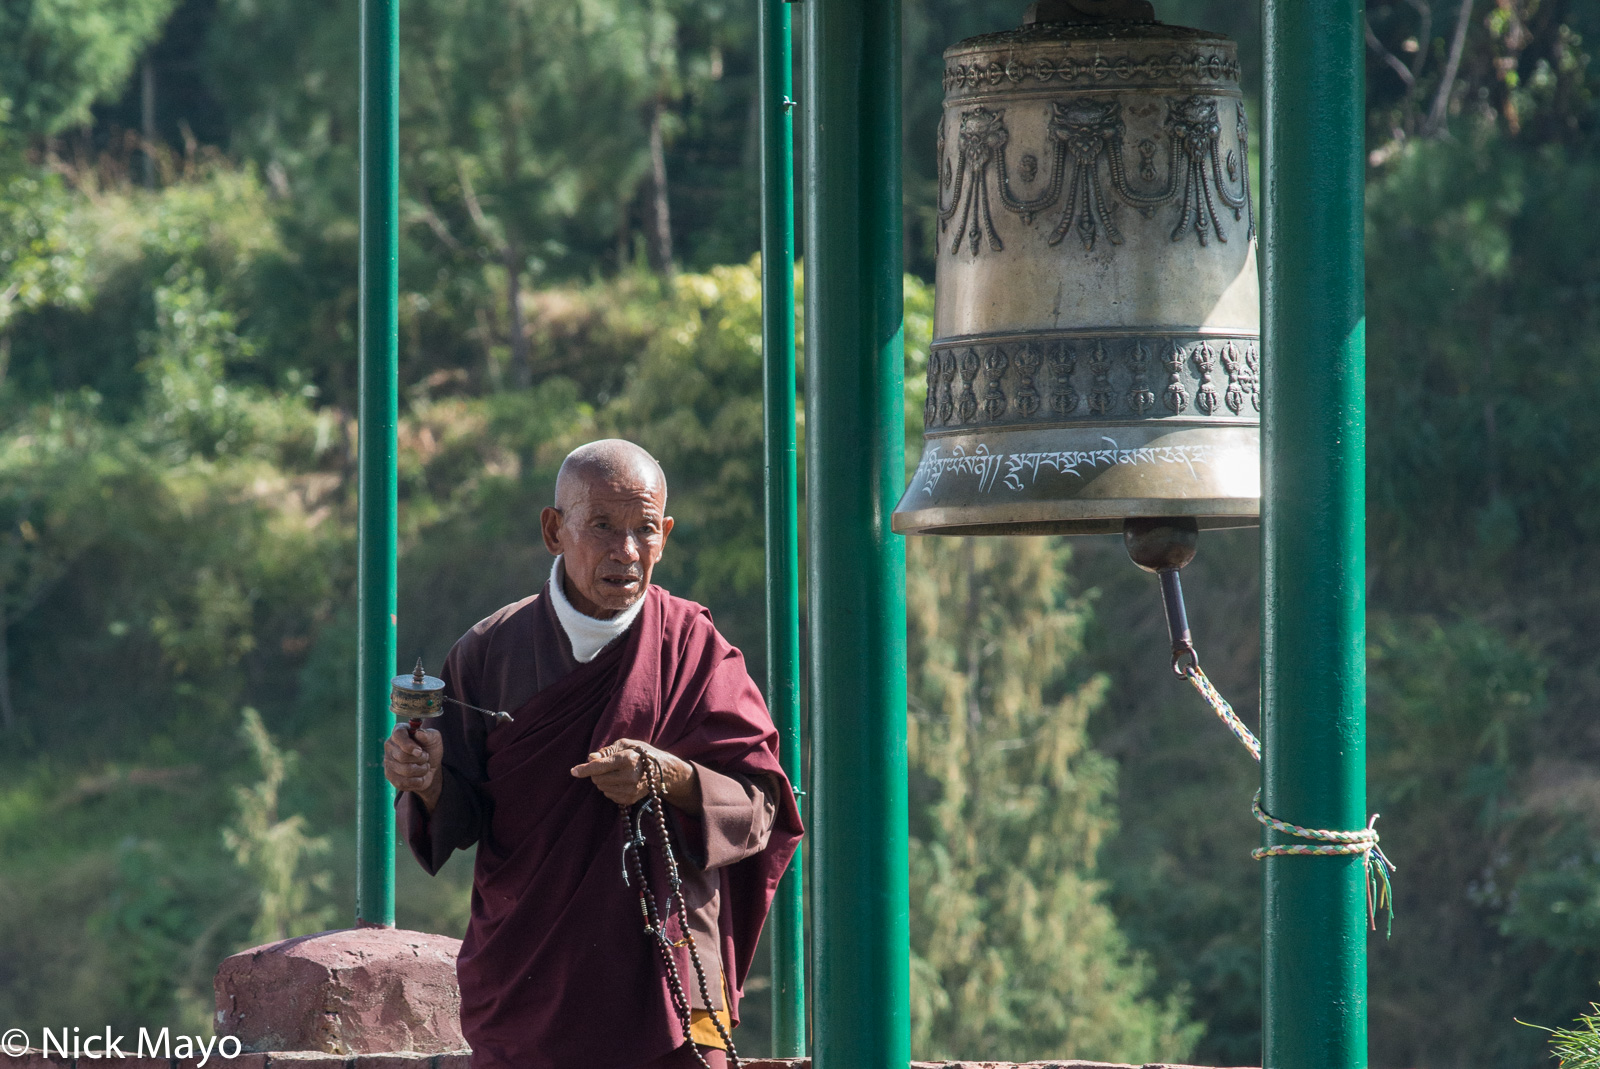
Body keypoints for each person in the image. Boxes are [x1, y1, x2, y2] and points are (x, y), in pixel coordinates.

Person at [383, 439, 802, 1069]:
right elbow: (459, 815)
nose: (625, 551)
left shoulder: (695, 648)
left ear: (665, 533)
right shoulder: (490, 653)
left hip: (665, 977)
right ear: (554, 530)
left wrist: (673, 777)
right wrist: (426, 779)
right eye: (602, 526)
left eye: (643, 530)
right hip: (529, 976)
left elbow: (762, 804)